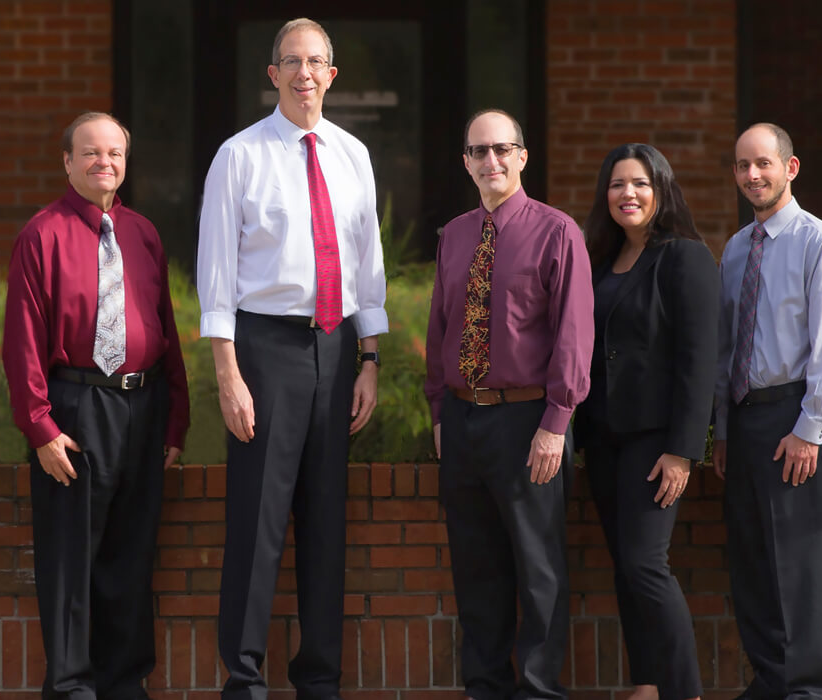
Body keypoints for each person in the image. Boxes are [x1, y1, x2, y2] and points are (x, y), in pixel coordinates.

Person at [196, 17, 388, 700]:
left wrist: (369, 358)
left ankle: (320, 680)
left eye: (316, 62)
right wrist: (228, 375)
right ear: (272, 75)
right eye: (291, 62)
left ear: (332, 75)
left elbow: (368, 264)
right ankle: (243, 680)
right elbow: (214, 275)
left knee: (326, 518)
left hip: (337, 349)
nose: (305, 73)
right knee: (257, 518)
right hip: (265, 348)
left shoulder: (353, 154)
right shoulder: (239, 156)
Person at [2, 112, 190, 700]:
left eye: (114, 153)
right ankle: (71, 685)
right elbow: (22, 340)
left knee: (132, 553)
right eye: (90, 152)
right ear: (67, 161)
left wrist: (176, 418)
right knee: (70, 559)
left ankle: (123, 681)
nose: (103, 162)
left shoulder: (143, 232)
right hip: (76, 410)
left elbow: (167, 329)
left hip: (143, 405)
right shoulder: (42, 233)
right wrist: (40, 427)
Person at [423, 109, 591, 700]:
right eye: (477, 152)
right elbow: (440, 326)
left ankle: (541, 689)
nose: (489, 161)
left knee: (537, 567)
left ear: (522, 156)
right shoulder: (455, 234)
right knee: (477, 567)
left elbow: (574, 335)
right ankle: (485, 686)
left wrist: (556, 424)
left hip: (529, 422)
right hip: (464, 420)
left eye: (501, 149)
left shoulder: (556, 232)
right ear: (465, 162)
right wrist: (440, 411)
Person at [711, 123, 822, 700]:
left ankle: (810, 690)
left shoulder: (819, 242)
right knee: (750, 560)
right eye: (743, 166)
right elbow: (725, 346)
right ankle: (771, 680)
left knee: (796, 565)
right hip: (744, 421)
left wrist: (810, 430)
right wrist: (721, 427)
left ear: (789, 169)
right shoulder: (736, 248)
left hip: (793, 416)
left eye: (763, 164)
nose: (752, 176)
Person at [574, 143, 717, 700]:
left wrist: (684, 449)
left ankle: (684, 690)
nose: (626, 194)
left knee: (645, 564)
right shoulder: (602, 260)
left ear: (661, 189)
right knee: (625, 567)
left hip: (656, 442)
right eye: (616, 185)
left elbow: (699, 359)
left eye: (639, 183)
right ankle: (648, 683)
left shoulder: (684, 257)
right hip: (605, 439)